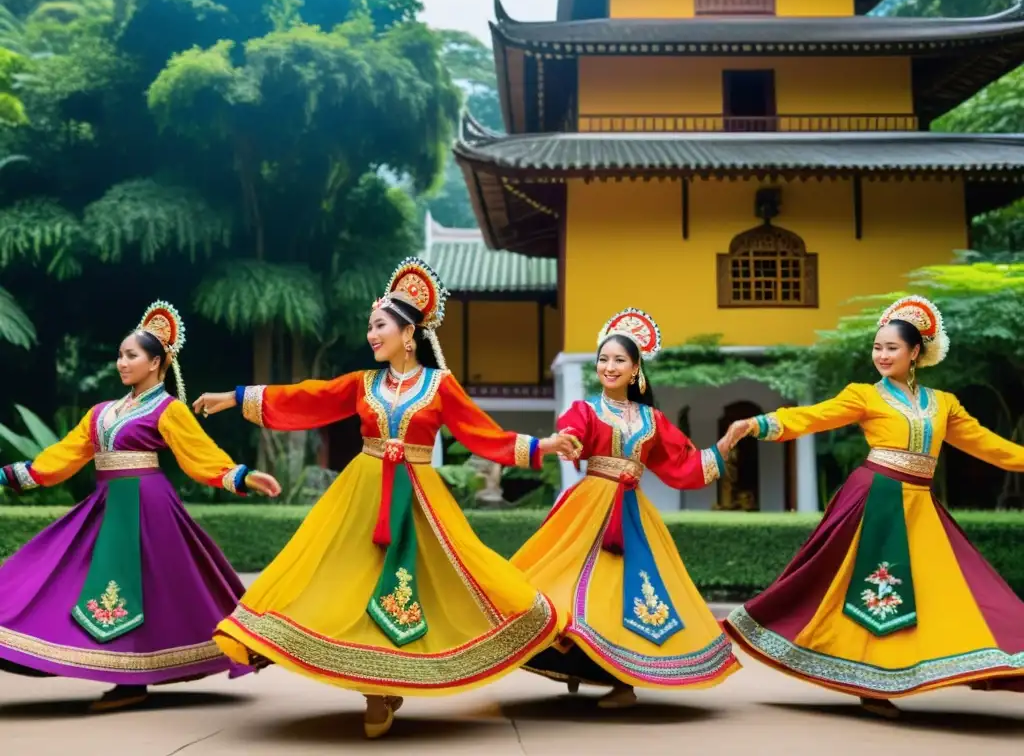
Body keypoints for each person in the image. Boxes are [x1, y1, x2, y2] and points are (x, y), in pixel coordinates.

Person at [192, 257, 575, 739]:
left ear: (408, 333)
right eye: (370, 328)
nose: (371, 335)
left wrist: (542, 446)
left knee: (461, 570)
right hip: (363, 493)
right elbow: (307, 398)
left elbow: (483, 433)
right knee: (344, 579)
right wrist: (234, 397)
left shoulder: (440, 385)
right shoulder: (363, 384)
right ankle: (374, 688)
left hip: (417, 496)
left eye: (379, 326)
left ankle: (538, 624)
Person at [722, 295, 1024, 718]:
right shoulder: (864, 395)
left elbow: (989, 445)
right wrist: (757, 423)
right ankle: (871, 683)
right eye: (877, 347)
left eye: (891, 348)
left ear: (915, 352)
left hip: (919, 505)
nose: (881, 355)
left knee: (944, 587)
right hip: (876, 499)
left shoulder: (944, 404)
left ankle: (930, 665)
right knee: (872, 589)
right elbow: (813, 417)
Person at [0, 301, 280, 712]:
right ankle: (117, 672)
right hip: (106, 505)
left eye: (131, 355)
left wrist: (241, 477)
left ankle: (134, 678)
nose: (121, 362)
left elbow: (198, 455)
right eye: (120, 355)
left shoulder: (169, 410)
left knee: (156, 590)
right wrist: (9, 475)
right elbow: (61, 457)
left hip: (149, 508)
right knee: (63, 573)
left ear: (155, 363)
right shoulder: (100, 414)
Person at [510, 308, 741, 709]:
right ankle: (577, 663)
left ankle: (623, 682)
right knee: (570, 588)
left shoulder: (652, 420)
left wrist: (720, 450)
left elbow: (682, 464)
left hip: (631, 513)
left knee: (625, 593)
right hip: (589, 508)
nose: (609, 366)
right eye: (603, 359)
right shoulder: (585, 410)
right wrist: (565, 440)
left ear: (636, 369)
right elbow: (573, 435)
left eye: (619, 360)